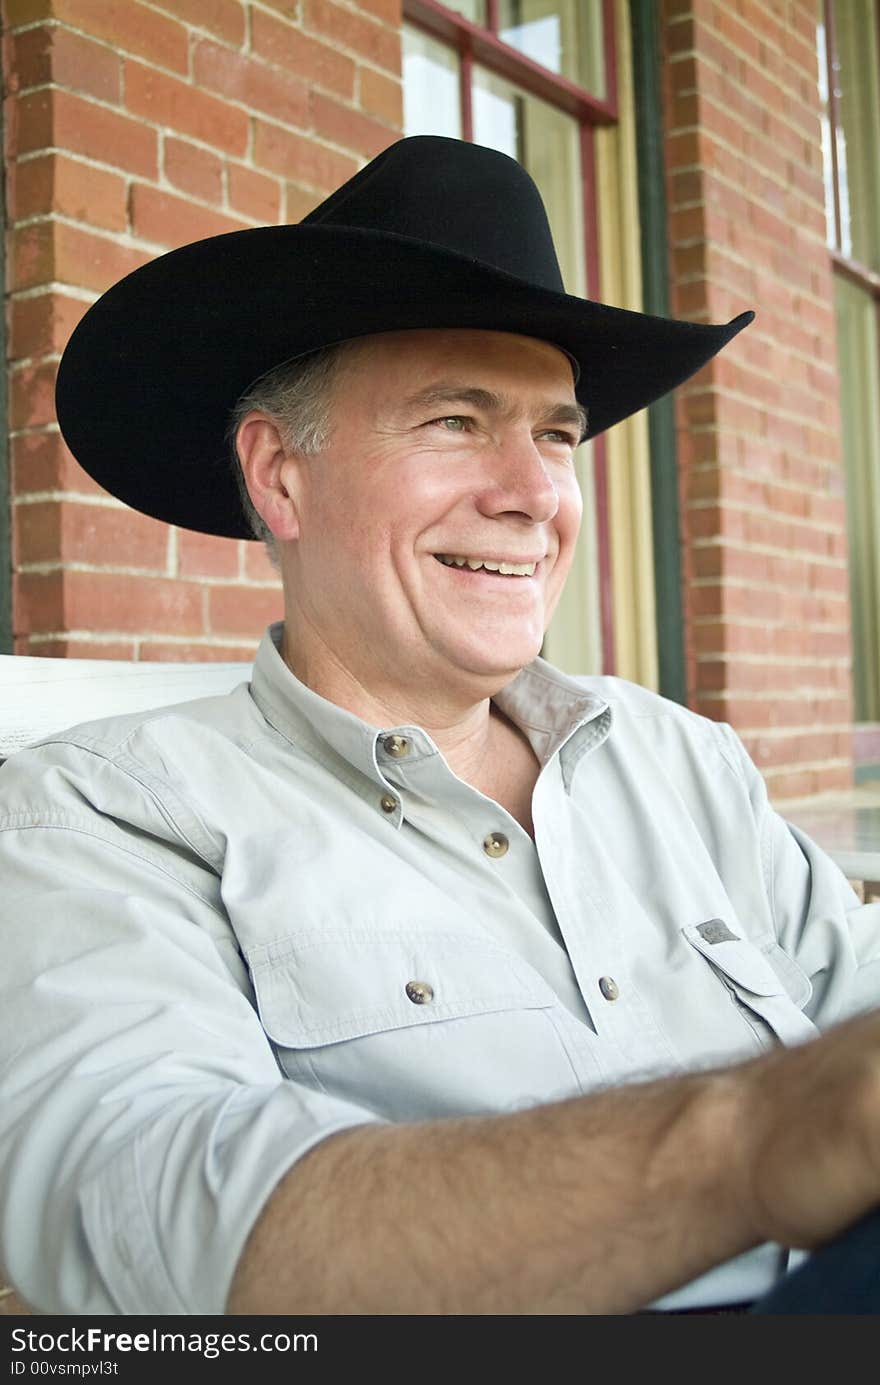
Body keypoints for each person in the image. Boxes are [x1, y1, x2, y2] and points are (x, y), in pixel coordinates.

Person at [1, 135, 879, 1318]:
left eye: (557, 434)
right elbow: (153, 1221)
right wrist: (742, 1140)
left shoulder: (682, 761)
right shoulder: (105, 813)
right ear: (280, 478)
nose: (533, 492)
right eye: (456, 421)